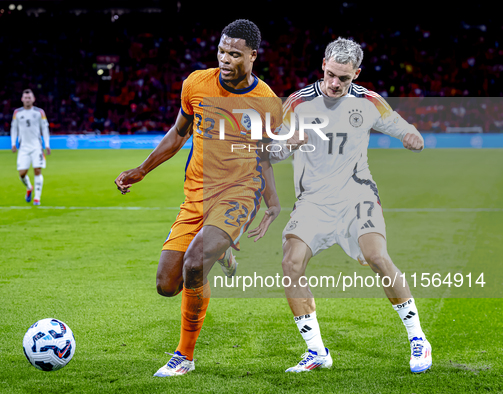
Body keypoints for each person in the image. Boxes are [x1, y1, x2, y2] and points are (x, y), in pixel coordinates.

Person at [115, 19, 282, 377]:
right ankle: (217, 252)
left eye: (235, 54)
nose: (225, 59)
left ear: (253, 56)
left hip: (239, 193)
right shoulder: (196, 83)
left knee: (194, 262)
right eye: (221, 51)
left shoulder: (267, 103)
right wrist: (142, 169)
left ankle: (184, 357)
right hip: (196, 195)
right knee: (166, 285)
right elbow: (179, 134)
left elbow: (264, 157)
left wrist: (273, 202)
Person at [270, 37, 431, 374]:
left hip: (357, 196)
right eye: (330, 74)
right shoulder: (298, 103)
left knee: (377, 257)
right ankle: (316, 351)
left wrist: (412, 136)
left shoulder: (370, 101)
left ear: (356, 73)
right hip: (313, 202)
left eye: (343, 78)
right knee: (291, 263)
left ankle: (418, 338)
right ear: (323, 65)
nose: (334, 83)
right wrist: (286, 143)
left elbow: (403, 127)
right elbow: (270, 152)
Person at [11, 89, 50, 206]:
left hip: (36, 147)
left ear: (33, 99)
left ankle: (37, 198)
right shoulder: (17, 113)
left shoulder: (39, 112)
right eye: (25, 98)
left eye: (29, 98)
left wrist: (47, 144)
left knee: (37, 170)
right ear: (22, 99)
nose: (27, 100)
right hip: (23, 148)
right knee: (22, 174)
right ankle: (29, 187)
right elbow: (14, 129)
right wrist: (13, 143)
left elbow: (45, 129)